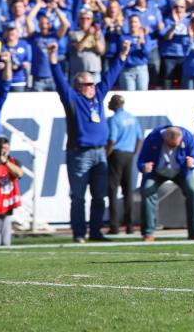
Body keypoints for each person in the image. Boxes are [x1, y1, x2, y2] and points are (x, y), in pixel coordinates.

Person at [48, 39, 129, 243]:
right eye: (87, 84)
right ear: (78, 86)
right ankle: (78, 233)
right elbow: (59, 82)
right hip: (80, 153)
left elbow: (110, 77)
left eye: (93, 84)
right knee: (78, 197)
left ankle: (95, 231)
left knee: (99, 196)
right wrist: (53, 60)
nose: (93, 87)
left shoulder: (98, 98)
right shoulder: (73, 100)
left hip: (100, 152)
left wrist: (122, 56)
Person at [137, 125, 194, 241]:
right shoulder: (153, 137)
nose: (173, 148)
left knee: (193, 192)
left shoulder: (188, 137)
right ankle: (148, 232)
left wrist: (192, 162)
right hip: (157, 172)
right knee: (147, 190)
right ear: (165, 138)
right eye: (171, 145)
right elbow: (141, 159)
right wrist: (144, 167)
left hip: (181, 172)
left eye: (177, 146)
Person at [106, 95, 142, 235]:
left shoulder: (114, 119)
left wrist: (106, 155)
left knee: (112, 190)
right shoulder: (132, 118)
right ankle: (130, 226)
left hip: (116, 154)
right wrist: (134, 153)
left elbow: (112, 140)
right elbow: (140, 138)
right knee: (128, 191)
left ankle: (114, 226)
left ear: (114, 104)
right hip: (128, 155)